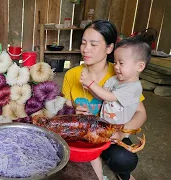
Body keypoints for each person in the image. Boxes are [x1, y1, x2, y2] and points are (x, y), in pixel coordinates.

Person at [62, 20, 147, 180]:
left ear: (109, 48)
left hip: (111, 136)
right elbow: (65, 107)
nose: (86, 49)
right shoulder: (71, 74)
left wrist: (122, 133)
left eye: (93, 44)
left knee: (124, 160)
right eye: (83, 43)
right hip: (84, 134)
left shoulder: (121, 76)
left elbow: (141, 113)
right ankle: (94, 160)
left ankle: (119, 170)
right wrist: (73, 110)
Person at [80, 35, 151, 179]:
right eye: (115, 62)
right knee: (91, 151)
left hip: (118, 132)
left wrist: (90, 83)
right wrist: (90, 89)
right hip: (104, 127)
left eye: (121, 63)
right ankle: (99, 177)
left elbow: (110, 97)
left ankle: (124, 174)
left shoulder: (133, 87)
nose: (116, 67)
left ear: (140, 66)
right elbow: (102, 95)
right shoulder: (116, 80)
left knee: (123, 158)